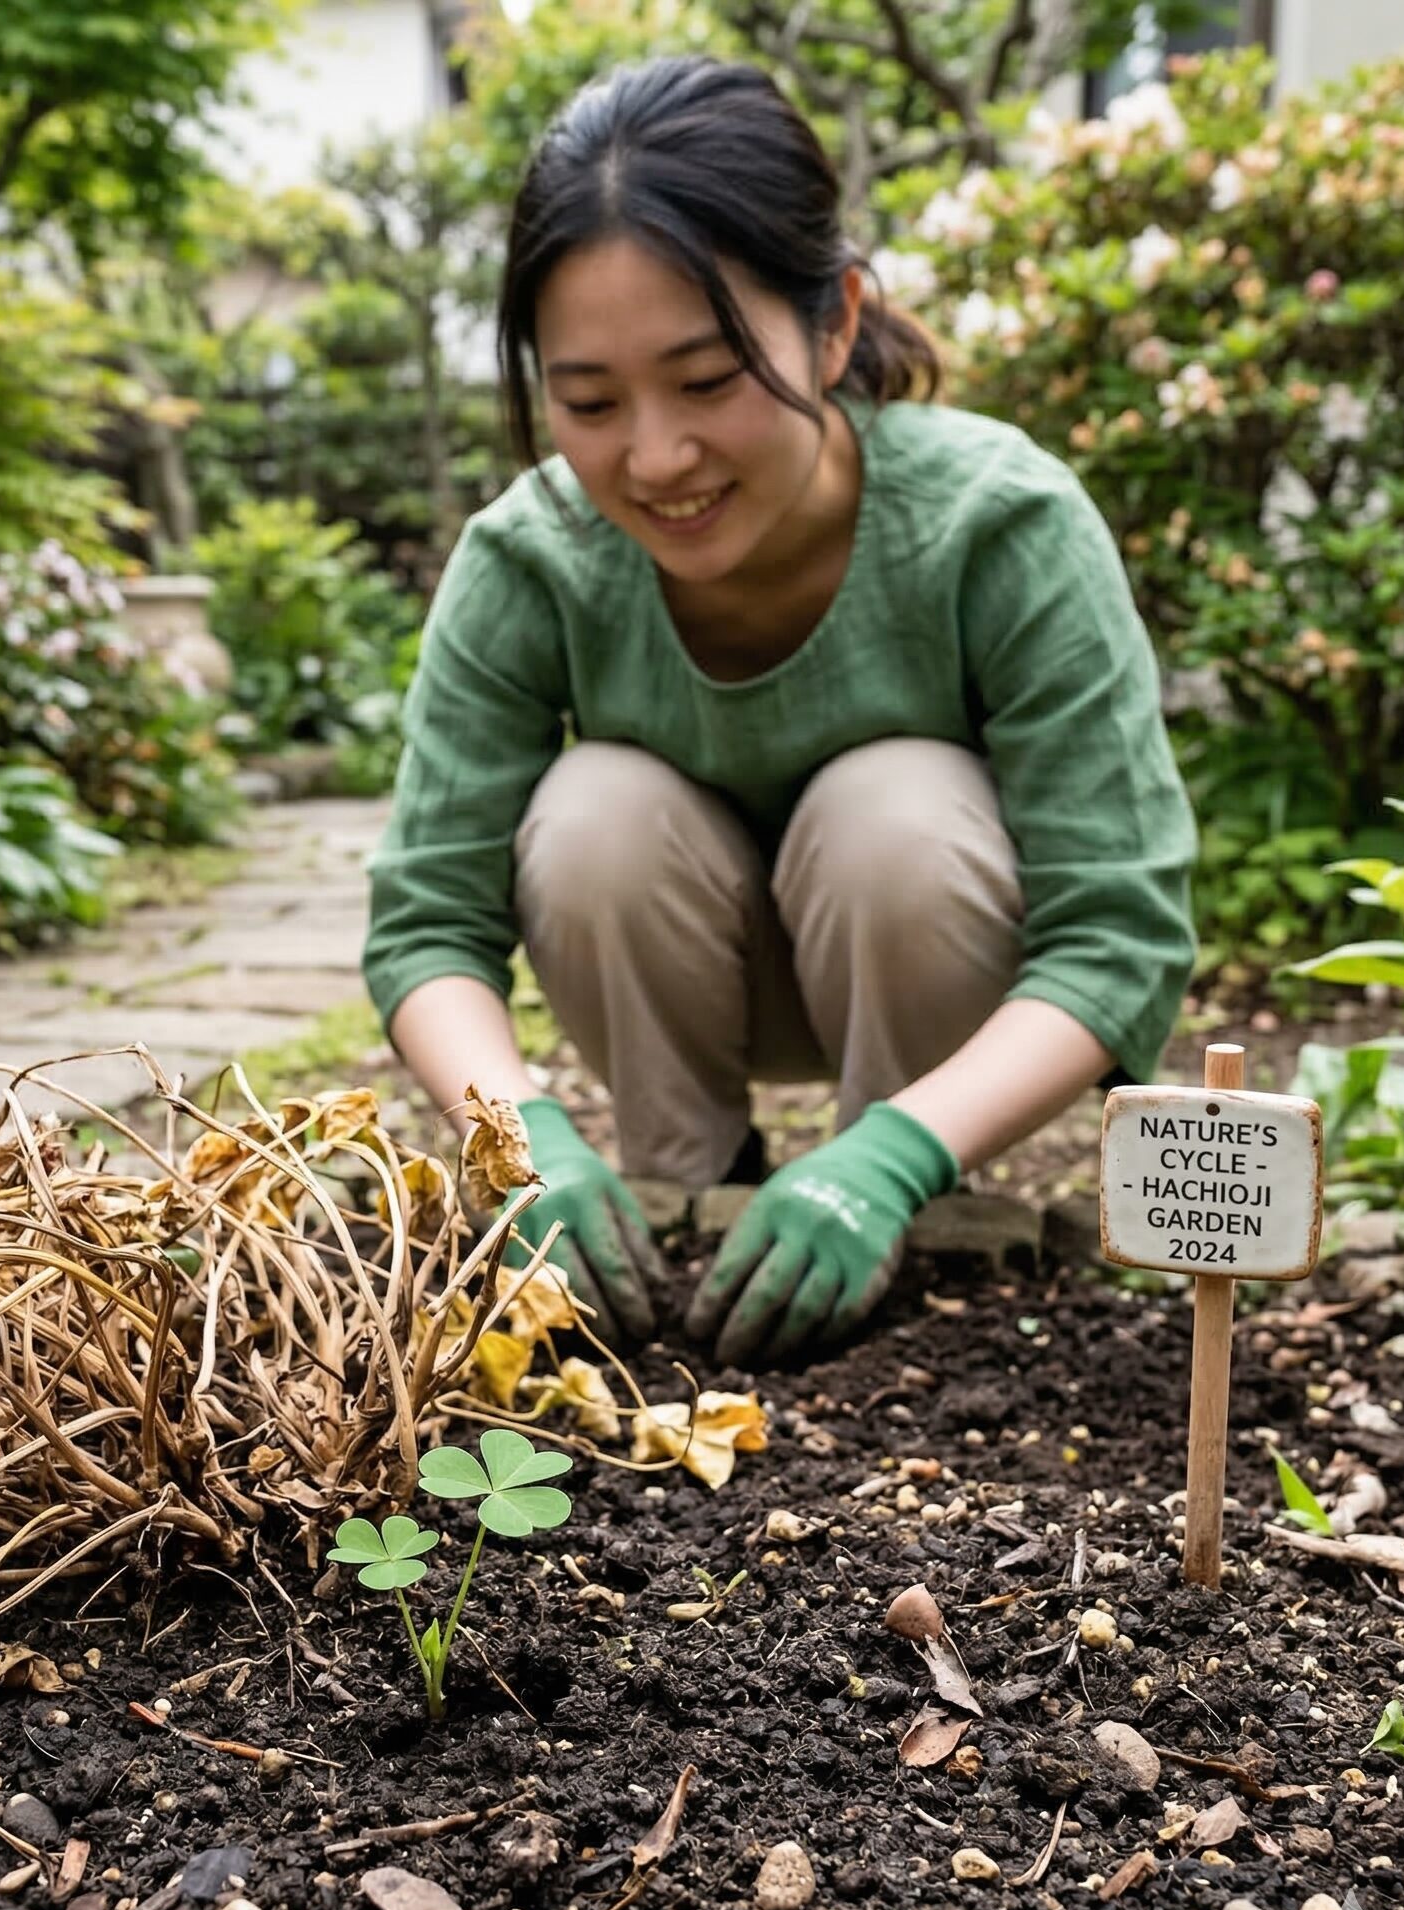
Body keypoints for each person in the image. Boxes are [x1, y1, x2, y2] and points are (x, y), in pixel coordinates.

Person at [361, 54, 1198, 1368]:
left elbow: (1120, 939)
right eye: (587, 402)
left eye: (707, 381)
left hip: (923, 983)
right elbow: (426, 931)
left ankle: (894, 1220)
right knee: (594, 813)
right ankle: (685, 1218)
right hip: (690, 966)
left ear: (838, 322)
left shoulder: (998, 525)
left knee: (897, 810)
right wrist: (520, 1139)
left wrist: (894, 1154)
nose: (654, 458)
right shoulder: (532, 560)